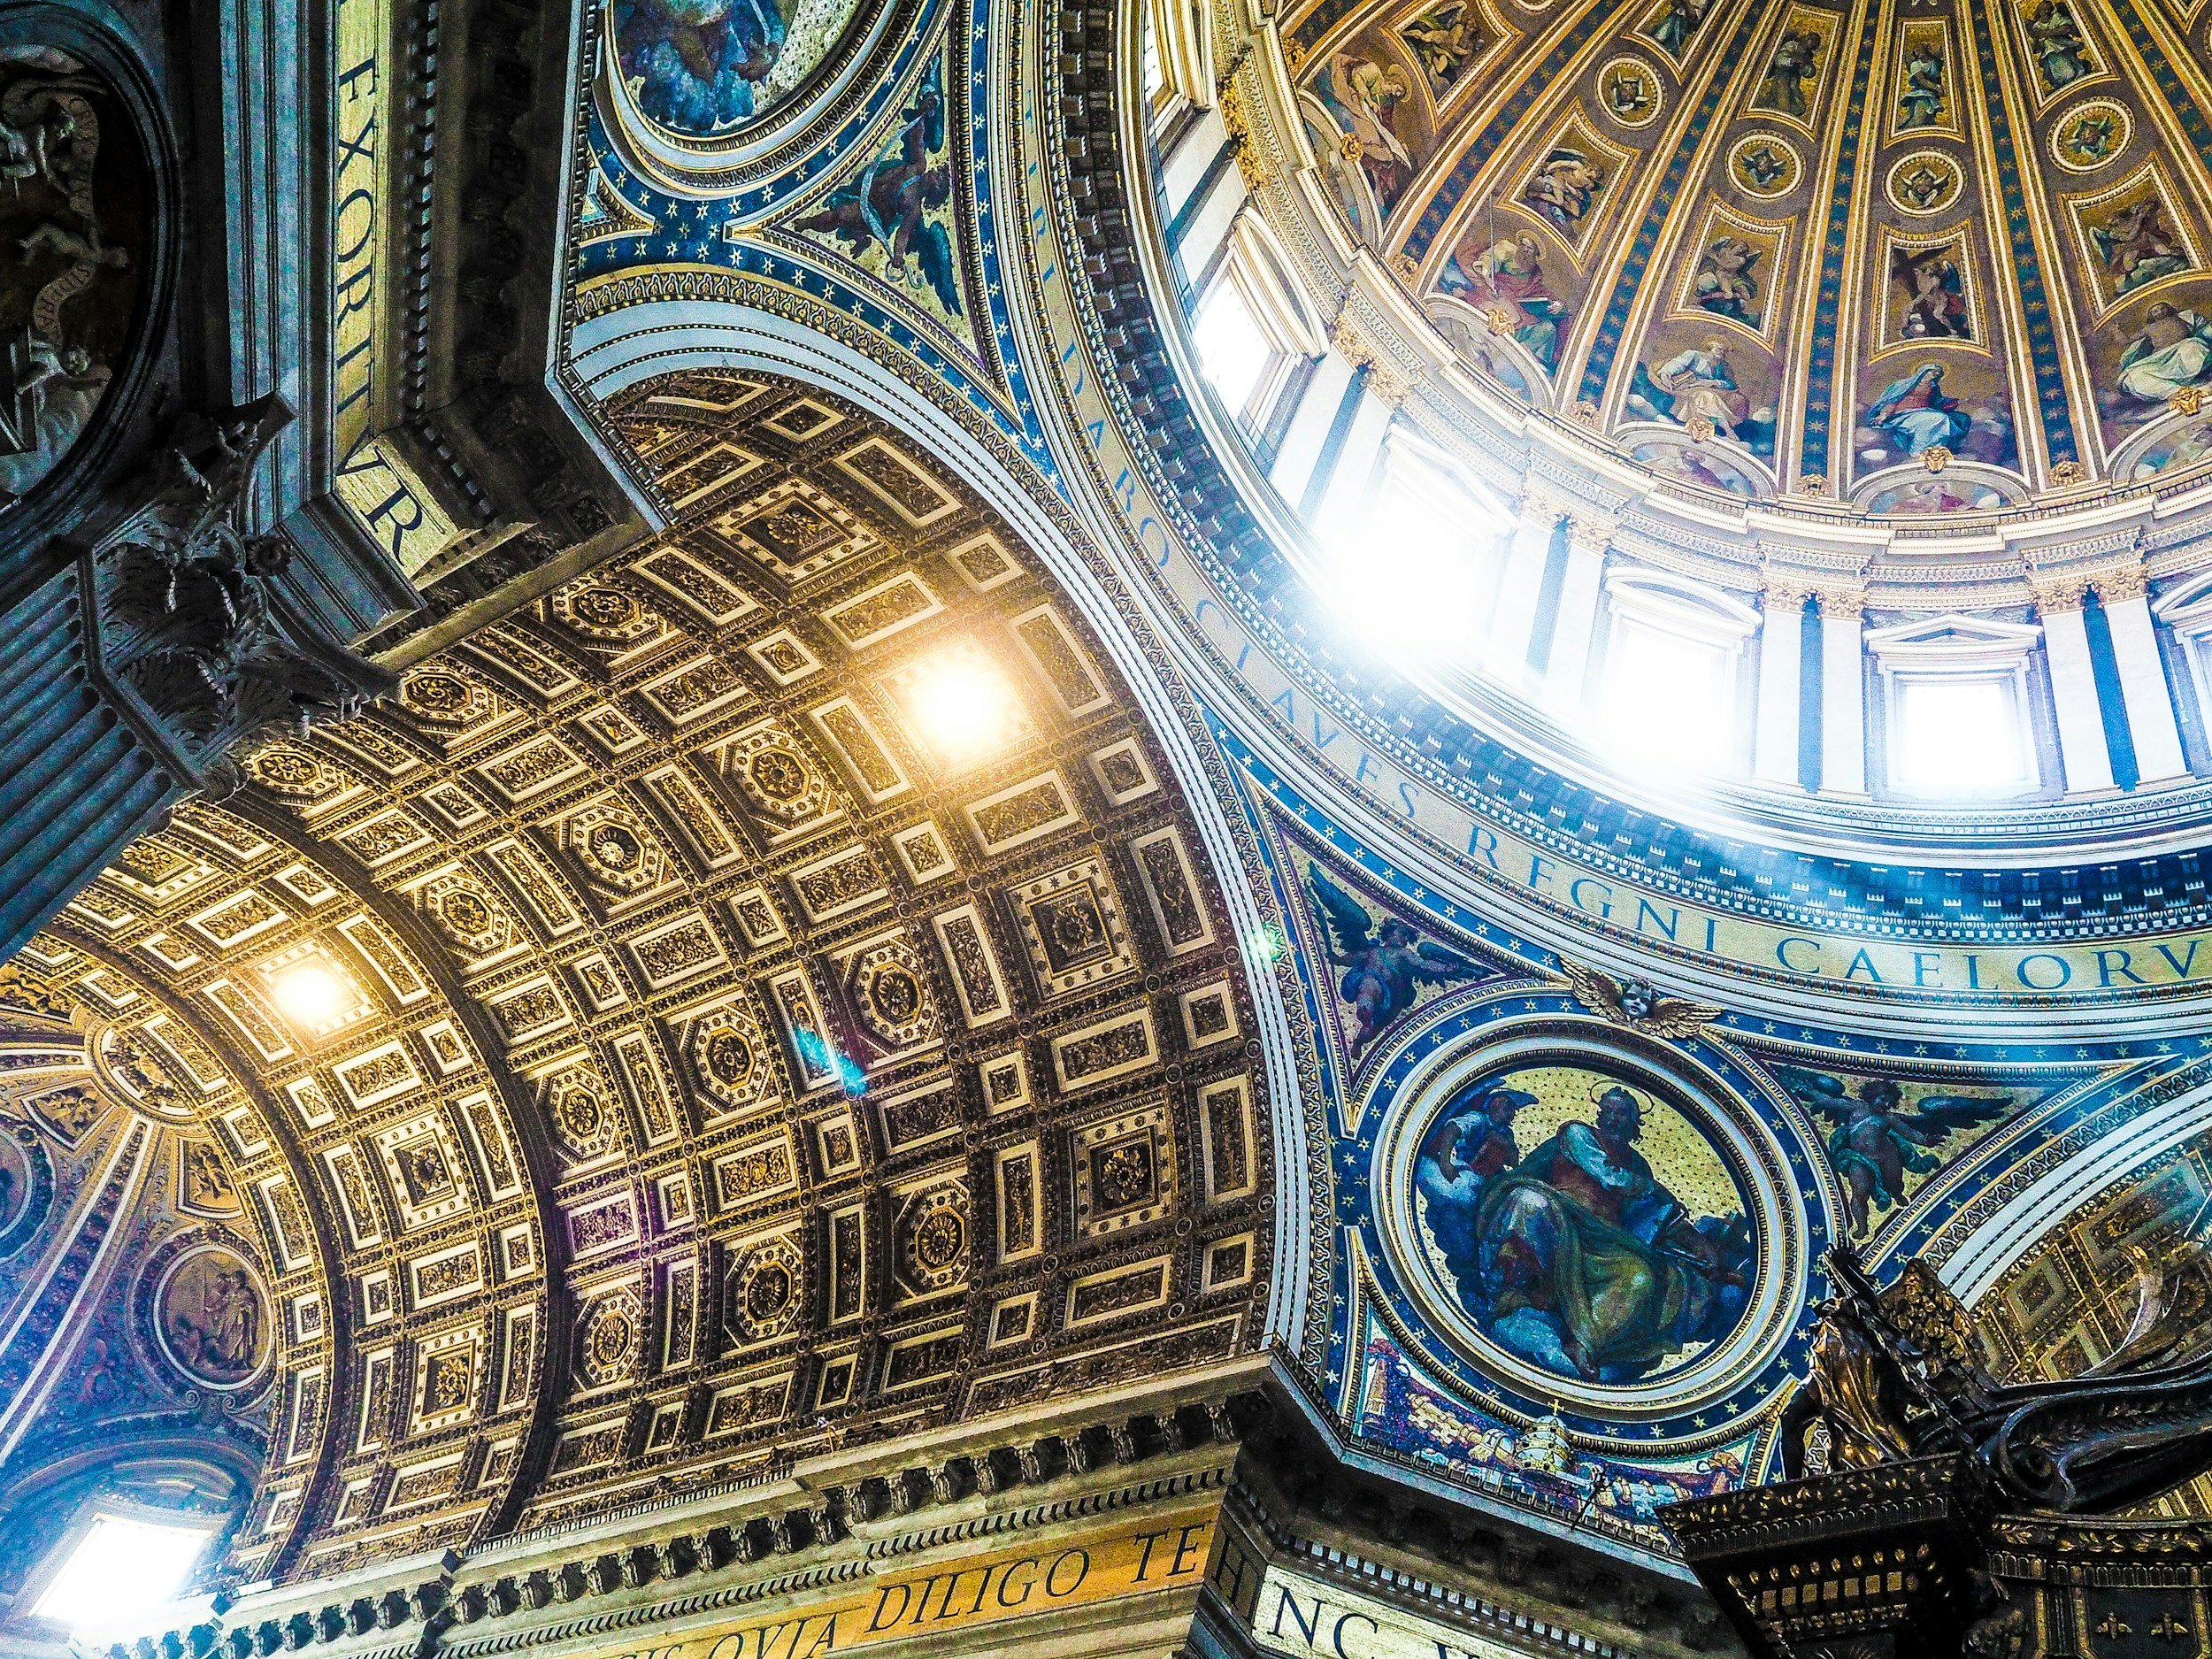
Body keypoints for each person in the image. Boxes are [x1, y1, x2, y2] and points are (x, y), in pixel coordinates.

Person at [1468, 1087, 1750, 1381]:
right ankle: (1513, 1295)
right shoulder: (1578, 1134)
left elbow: (1654, 1216)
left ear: (1635, 1122)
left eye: (1622, 1113)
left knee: (1640, 1275)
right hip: (1562, 1216)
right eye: (1609, 1111)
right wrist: (1651, 1187)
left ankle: (1585, 1343)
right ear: (1599, 1115)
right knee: (1529, 1202)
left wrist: (1698, 1243)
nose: (1613, 1118)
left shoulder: (1638, 1164)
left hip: (1605, 1240)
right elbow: (1609, 1176)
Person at [1866, 361, 1971, 457]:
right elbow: (1892, 401)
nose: (1936, 374)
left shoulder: (1933, 387)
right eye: (1934, 371)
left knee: (1956, 419)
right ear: (1924, 371)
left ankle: (1936, 449)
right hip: (1904, 415)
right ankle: (1917, 450)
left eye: (1938, 373)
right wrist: (1884, 414)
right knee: (1938, 418)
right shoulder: (1905, 384)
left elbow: (1939, 403)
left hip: (1925, 412)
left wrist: (1959, 402)